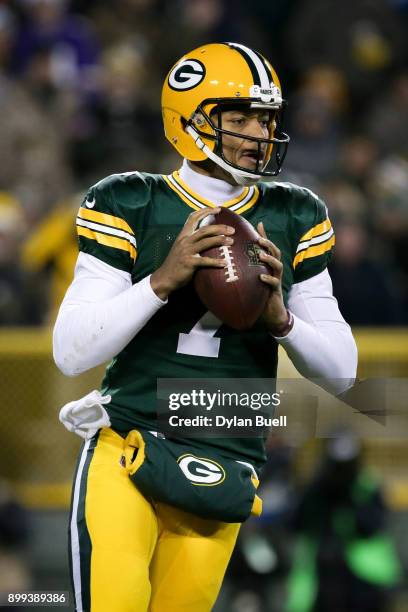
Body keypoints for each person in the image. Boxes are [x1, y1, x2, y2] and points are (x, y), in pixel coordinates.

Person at [53, 42, 357, 612]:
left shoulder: (296, 213)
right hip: (131, 443)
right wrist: (161, 282)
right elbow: (71, 352)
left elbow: (343, 373)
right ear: (187, 120)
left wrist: (281, 321)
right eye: (237, 117)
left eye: (264, 118)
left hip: (226, 455)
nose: (256, 133)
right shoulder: (132, 201)